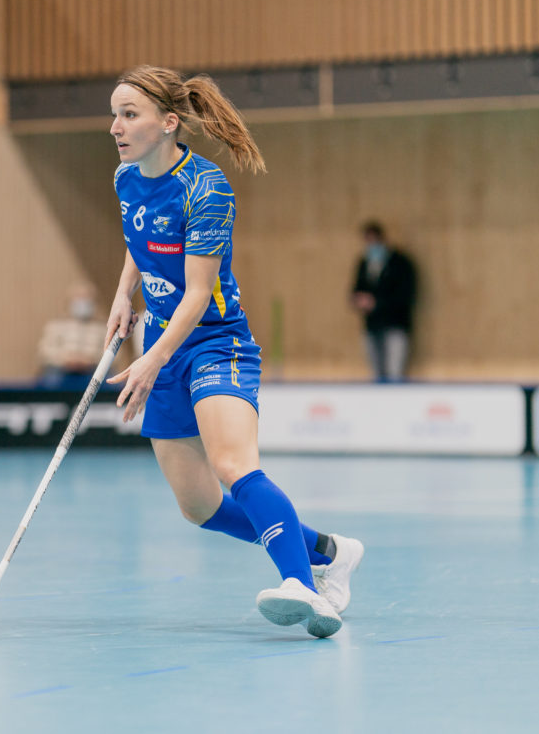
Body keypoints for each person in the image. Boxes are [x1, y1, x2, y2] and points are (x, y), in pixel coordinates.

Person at [104, 66, 363, 638]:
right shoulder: (125, 177)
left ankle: (301, 583)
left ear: (169, 122)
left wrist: (149, 360)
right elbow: (137, 240)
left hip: (216, 341)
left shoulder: (206, 187)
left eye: (130, 114)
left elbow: (198, 294)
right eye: (115, 114)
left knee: (232, 464)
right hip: (160, 342)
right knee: (198, 506)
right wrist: (125, 294)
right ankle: (327, 552)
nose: (116, 126)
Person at [350, 220, 417, 382]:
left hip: (395, 324)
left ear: (382, 239)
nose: (371, 245)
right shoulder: (365, 263)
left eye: (374, 241)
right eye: (368, 241)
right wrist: (358, 300)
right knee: (377, 374)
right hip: (373, 326)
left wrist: (377, 303)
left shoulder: (400, 263)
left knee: (395, 373)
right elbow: (356, 289)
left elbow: (405, 295)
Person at [36, 283, 108, 390]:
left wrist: (89, 360)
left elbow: (114, 356)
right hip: (61, 370)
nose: (82, 302)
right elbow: (44, 352)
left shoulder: (103, 328)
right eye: (79, 298)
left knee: (109, 378)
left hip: (92, 370)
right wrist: (66, 360)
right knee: (49, 378)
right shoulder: (55, 326)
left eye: (86, 298)